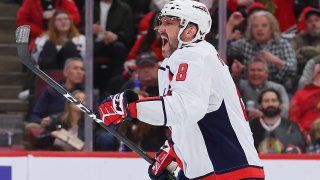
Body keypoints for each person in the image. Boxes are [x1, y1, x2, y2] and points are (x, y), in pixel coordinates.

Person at [98, 1, 264, 179]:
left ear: (190, 31)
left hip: (227, 171)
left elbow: (185, 107)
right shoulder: (195, 56)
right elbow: (197, 116)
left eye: (169, 23)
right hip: (220, 170)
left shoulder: (193, 55)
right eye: (161, 22)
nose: (160, 29)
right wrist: (176, 152)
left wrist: (128, 108)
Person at [228, 10, 297, 92]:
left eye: (264, 26)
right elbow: (223, 48)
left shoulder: (282, 44)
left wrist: (276, 61)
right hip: (249, 91)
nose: (259, 29)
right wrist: (230, 25)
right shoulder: (245, 44)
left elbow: (293, 69)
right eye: (255, 26)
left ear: (271, 29)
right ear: (251, 30)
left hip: (277, 91)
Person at [249, 89, 305, 154]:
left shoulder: (291, 126)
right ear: (260, 105)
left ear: (280, 104)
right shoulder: (251, 127)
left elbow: (300, 149)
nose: (270, 104)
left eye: (274, 100)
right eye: (266, 101)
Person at [16, 0, 80, 50]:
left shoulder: (65, 1)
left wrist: (57, 14)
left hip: (63, 37)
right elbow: (21, 22)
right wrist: (43, 33)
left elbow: (76, 18)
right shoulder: (30, 1)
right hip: (40, 38)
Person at [290, 62, 320, 133]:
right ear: (312, 74)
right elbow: (293, 119)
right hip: (307, 135)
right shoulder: (300, 94)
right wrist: (303, 133)